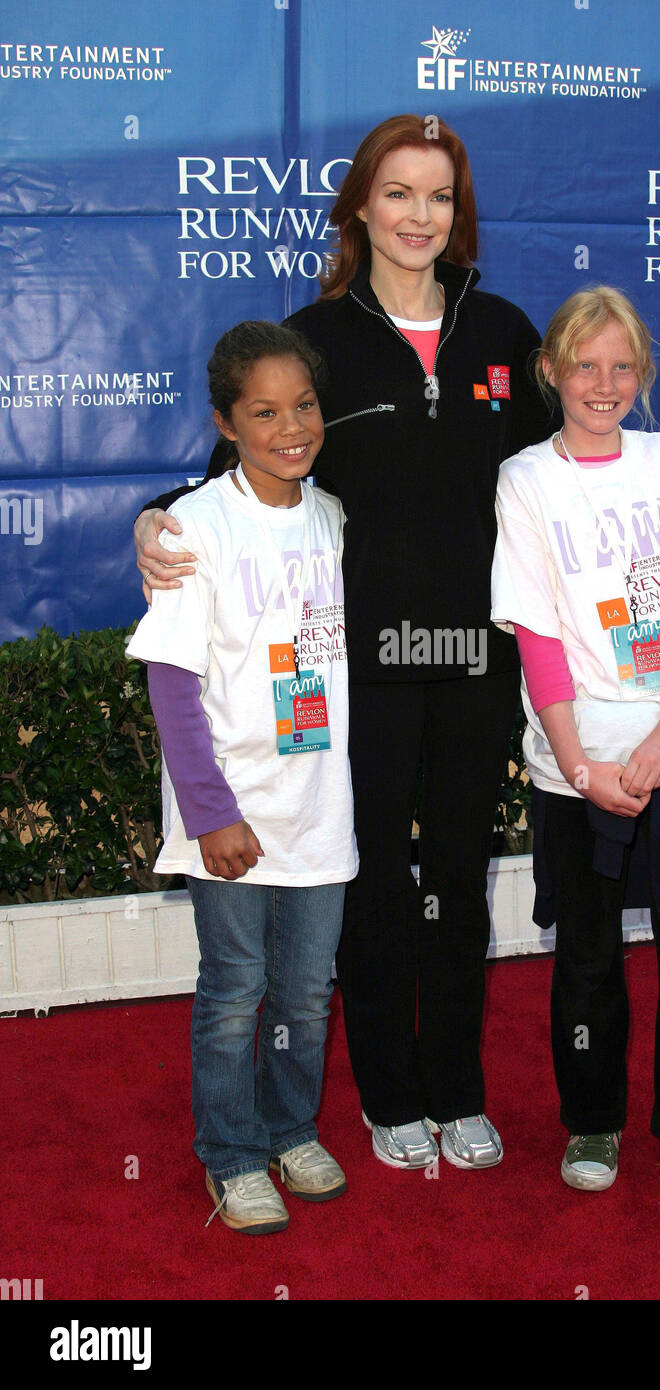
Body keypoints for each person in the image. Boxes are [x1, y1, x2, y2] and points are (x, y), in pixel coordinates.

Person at [134, 116, 660, 1173]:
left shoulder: (499, 330)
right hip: (359, 674)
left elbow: (590, 433)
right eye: (397, 194)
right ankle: (387, 1097)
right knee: (370, 885)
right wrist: (154, 516)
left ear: (458, 214)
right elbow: (244, 466)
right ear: (361, 206)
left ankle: (454, 1084)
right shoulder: (317, 336)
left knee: (454, 874)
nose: (417, 215)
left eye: (438, 197)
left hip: (475, 666)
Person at [491, 286, 660, 1203]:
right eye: (586, 365)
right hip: (578, 765)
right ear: (550, 370)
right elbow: (539, 636)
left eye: (623, 366)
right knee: (587, 958)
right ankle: (592, 1123)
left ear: (643, 375)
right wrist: (580, 766)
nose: (605, 384)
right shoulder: (523, 480)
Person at [127, 321, 357, 1232]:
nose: (290, 426)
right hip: (226, 815)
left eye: (303, 405)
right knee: (235, 990)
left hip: (318, 809)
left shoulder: (336, 517)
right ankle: (230, 1152)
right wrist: (212, 812)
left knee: (306, 991)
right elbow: (172, 683)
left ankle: (290, 1129)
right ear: (226, 422)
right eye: (264, 411)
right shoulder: (195, 528)